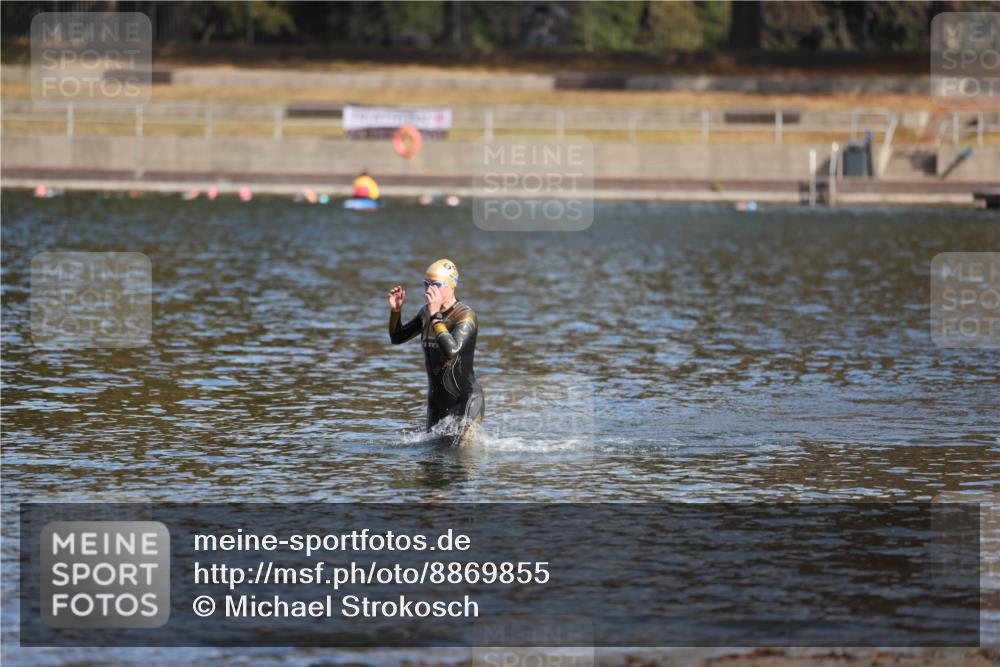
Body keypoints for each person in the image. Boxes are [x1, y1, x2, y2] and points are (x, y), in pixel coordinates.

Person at [387, 259, 484, 446]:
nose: (429, 290)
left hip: (466, 402)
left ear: (452, 285)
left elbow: (451, 351)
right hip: (437, 404)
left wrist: (435, 316)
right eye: (426, 284)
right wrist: (396, 311)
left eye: (436, 285)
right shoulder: (426, 313)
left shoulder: (465, 315)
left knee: (454, 457)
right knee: (431, 464)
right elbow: (397, 338)